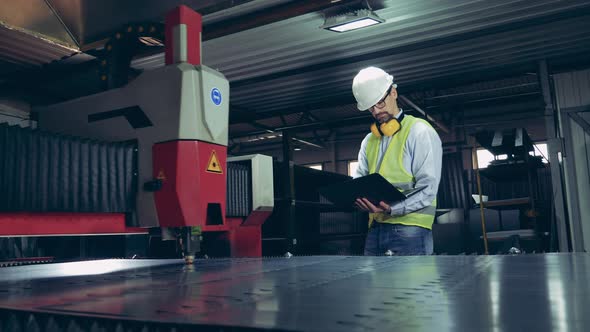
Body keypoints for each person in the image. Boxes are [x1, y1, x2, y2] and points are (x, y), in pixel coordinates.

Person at [351, 66, 442, 255]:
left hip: (410, 229)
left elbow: (428, 189)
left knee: (412, 285)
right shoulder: (369, 140)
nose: (376, 111)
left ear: (393, 92)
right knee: (375, 286)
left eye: (380, 103)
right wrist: (358, 199)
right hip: (375, 229)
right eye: (370, 107)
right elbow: (358, 183)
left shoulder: (418, 131)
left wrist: (394, 208)